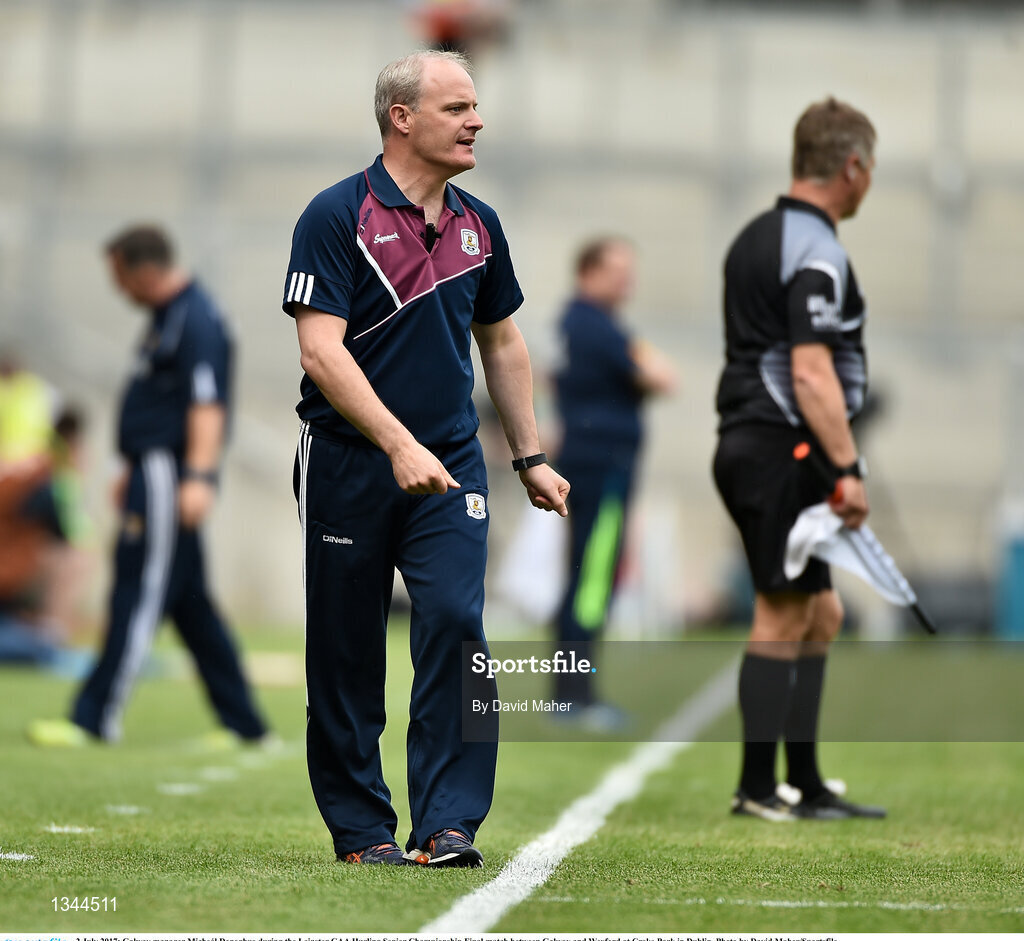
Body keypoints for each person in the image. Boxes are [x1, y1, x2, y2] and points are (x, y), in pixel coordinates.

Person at [284, 50, 569, 867]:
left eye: (475, 106)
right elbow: (320, 353)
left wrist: (530, 457)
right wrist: (394, 442)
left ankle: (449, 823)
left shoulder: (480, 226)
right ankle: (362, 830)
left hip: (449, 464)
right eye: (458, 107)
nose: (476, 120)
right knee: (346, 649)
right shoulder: (335, 216)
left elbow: (503, 342)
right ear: (402, 118)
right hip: (347, 460)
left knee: (454, 624)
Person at [712, 97, 886, 821]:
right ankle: (758, 787)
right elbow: (811, 372)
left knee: (821, 610)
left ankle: (806, 783)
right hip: (782, 448)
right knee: (784, 612)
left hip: (763, 444)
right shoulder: (817, 247)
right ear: (852, 167)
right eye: (869, 168)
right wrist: (847, 468)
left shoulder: (755, 235)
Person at [28, 225, 270, 747]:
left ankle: (94, 718)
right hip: (151, 470)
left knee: (135, 594)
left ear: (142, 269)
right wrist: (130, 469)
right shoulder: (168, 318)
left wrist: (198, 478)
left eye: (118, 276)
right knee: (190, 605)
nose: (118, 290)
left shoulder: (194, 318)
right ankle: (246, 726)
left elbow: (207, 405)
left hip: (170, 473)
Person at [550, 237, 675, 722]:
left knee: (590, 576)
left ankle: (573, 693)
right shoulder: (593, 326)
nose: (629, 280)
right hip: (600, 469)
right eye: (617, 270)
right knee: (592, 579)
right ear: (588, 272)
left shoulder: (593, 324)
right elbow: (660, 376)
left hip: (601, 467)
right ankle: (573, 697)